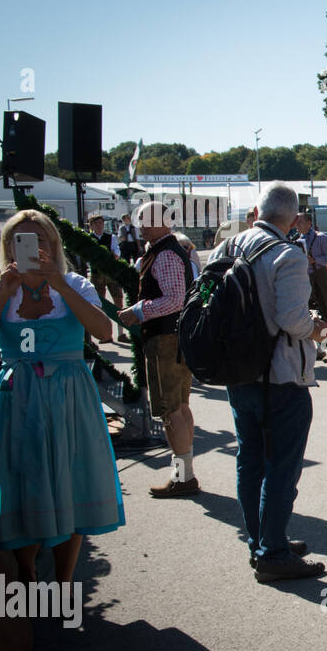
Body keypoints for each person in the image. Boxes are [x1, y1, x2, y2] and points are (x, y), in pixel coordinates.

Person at [0, 211, 124, 583]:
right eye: (22, 241)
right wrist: (1, 295)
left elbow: (105, 331)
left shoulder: (73, 283)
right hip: (17, 397)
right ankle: (26, 571)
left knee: (70, 481)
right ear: (8, 246)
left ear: (54, 245)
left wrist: (59, 284)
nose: (33, 248)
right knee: (20, 482)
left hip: (68, 395)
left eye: (41, 240)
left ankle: (62, 580)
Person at [210, 182, 327, 583]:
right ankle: (273, 552)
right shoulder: (287, 254)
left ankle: (261, 540)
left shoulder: (225, 249)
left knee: (250, 461)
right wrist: (316, 329)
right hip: (280, 376)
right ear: (294, 220)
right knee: (281, 467)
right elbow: (292, 320)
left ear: (257, 211)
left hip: (237, 372)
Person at [117, 201, 200, 498]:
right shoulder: (169, 249)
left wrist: (136, 311)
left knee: (171, 410)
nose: (139, 225)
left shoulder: (164, 253)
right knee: (181, 407)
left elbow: (174, 300)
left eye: (143, 219)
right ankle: (185, 474)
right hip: (174, 338)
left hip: (166, 340)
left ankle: (183, 477)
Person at [298, 212, 327, 363]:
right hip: (305, 280)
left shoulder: (321, 238)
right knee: (312, 314)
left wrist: (314, 260)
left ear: (309, 222)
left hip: (321, 279)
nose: (298, 225)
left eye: (301, 222)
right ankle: (320, 348)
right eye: (296, 222)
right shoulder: (297, 241)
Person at [85, 212, 128, 341]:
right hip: (97, 273)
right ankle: (104, 334)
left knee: (118, 300)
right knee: (98, 303)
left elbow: (117, 251)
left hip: (110, 273)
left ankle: (121, 333)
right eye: (96, 224)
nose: (99, 226)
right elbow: (86, 257)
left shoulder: (111, 237)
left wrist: (114, 255)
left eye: (101, 223)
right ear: (91, 226)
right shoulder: (88, 238)